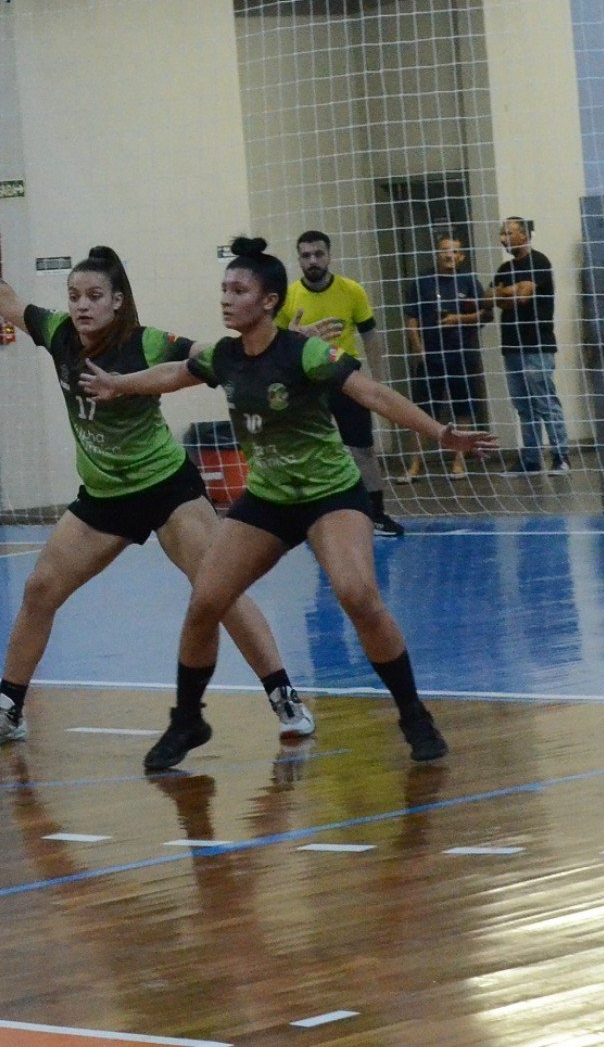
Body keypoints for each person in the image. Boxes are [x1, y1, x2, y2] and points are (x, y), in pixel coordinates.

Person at [82, 237, 496, 772]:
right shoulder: (222, 355)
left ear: (270, 301)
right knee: (206, 600)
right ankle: (188, 719)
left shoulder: (304, 353)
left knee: (359, 596)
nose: (227, 298)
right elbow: (172, 374)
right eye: (224, 289)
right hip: (268, 499)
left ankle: (413, 714)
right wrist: (120, 383)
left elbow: (372, 394)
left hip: (329, 495)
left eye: (239, 289)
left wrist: (441, 433)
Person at [0, 199, 312, 749]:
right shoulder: (59, 333)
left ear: (117, 301)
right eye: (74, 296)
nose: (81, 306)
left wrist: (279, 347)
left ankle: (284, 698)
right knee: (40, 589)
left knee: (218, 589)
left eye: (93, 297)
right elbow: (5, 298)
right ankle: (8, 712)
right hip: (103, 498)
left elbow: (213, 356)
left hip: (166, 489)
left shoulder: (146, 344)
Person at [276, 230, 405, 537]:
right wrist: (296, 336)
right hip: (307, 382)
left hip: (346, 378)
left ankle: (376, 513)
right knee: (311, 449)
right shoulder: (289, 297)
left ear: (329, 256)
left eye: (319, 254)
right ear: (299, 260)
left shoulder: (352, 291)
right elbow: (275, 343)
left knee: (362, 449)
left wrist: (377, 381)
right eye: (306, 255)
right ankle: (316, 514)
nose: (313, 261)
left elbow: (370, 335)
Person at [401, 235, 489, 480]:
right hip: (431, 358)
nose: (449, 255)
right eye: (444, 251)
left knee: (462, 410)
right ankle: (415, 465)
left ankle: (459, 462)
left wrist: (458, 320)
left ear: (461, 256)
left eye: (455, 251)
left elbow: (484, 314)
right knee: (422, 411)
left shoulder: (469, 281)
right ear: (437, 253)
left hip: (461, 356)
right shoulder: (422, 283)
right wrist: (420, 351)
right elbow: (411, 320)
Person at [489, 217, 570, 476]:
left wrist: (506, 293)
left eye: (508, 233)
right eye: (501, 233)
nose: (503, 238)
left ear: (524, 235)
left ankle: (561, 456)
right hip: (512, 346)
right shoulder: (504, 268)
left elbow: (524, 296)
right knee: (523, 405)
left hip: (537, 344)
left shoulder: (539, 262)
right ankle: (531, 460)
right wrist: (507, 293)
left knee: (545, 401)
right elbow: (487, 297)